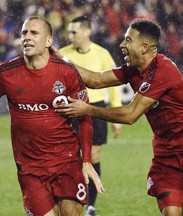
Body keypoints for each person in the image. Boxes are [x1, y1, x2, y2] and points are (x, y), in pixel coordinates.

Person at [54, 19, 183, 216]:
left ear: (145, 47)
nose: (122, 45)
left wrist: (87, 109)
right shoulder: (133, 69)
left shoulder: (163, 71)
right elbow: (95, 80)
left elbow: (130, 115)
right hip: (166, 155)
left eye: (128, 40)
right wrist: (60, 59)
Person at [0, 16, 104, 216]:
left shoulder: (66, 72)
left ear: (48, 41)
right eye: (24, 33)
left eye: (34, 33)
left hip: (67, 160)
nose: (27, 37)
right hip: (30, 167)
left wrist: (87, 160)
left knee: (71, 213)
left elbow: (84, 117)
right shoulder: (7, 73)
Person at [59, 16, 122, 216]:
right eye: (69, 32)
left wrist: (115, 115)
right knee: (72, 158)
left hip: (94, 108)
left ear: (87, 32)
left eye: (74, 32)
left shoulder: (102, 54)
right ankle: (73, 201)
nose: (70, 36)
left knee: (93, 156)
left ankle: (91, 206)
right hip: (70, 108)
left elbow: (112, 84)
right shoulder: (62, 54)